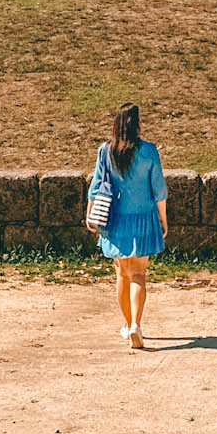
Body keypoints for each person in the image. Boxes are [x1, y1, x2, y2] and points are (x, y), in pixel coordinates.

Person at [85, 103, 168, 349]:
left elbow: (96, 187)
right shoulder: (149, 151)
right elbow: (159, 191)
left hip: (116, 220)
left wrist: (90, 214)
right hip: (144, 218)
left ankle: (127, 322)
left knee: (122, 272)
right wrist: (163, 220)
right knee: (139, 275)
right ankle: (136, 325)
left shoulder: (105, 151)